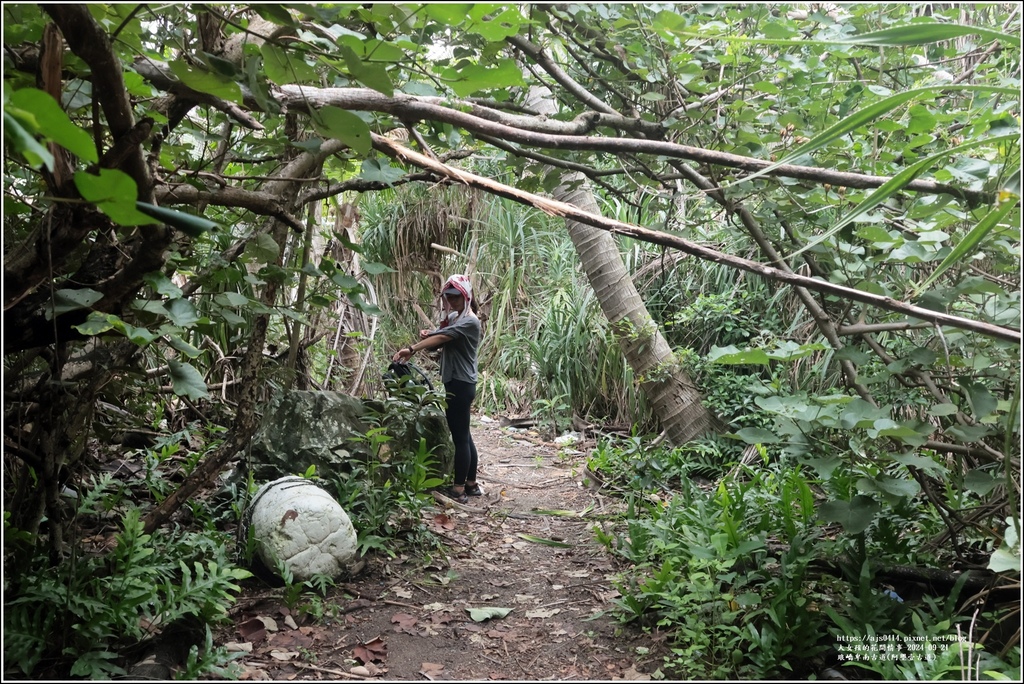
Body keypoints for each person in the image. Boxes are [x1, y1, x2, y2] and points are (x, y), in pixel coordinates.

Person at [392, 275, 482, 504]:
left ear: (466, 296)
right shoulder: (455, 318)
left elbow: (441, 336)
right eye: (448, 297)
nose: (451, 301)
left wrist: (412, 348)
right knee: (464, 434)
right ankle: (471, 484)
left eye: (456, 297)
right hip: (456, 381)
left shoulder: (470, 321)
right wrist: (428, 337)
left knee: (460, 437)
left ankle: (459, 489)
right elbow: (439, 343)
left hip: (461, 383)